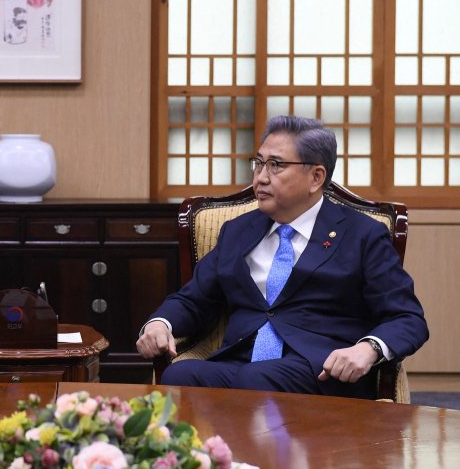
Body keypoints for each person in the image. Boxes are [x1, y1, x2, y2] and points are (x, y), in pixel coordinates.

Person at [136, 115, 428, 399]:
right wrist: (160, 323)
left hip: (320, 371)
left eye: (275, 165)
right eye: (259, 163)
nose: (260, 178)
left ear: (316, 177)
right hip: (243, 362)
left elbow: (407, 317)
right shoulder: (238, 231)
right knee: (180, 376)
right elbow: (193, 299)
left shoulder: (362, 234)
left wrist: (368, 349)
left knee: (256, 380)